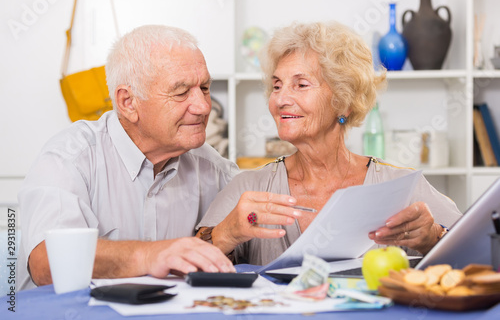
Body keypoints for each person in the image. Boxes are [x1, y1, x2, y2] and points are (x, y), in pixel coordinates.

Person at [196, 21, 462, 266]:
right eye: (277, 86)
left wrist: (434, 237)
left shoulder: (401, 187)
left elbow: (480, 254)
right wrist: (225, 234)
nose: (280, 99)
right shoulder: (249, 187)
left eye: (301, 84)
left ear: (344, 100)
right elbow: (188, 266)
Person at [17, 25, 239, 291]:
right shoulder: (70, 157)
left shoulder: (210, 165)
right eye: (181, 92)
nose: (204, 106)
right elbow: (48, 264)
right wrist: (151, 255)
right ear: (128, 102)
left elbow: (257, 204)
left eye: (204, 87)